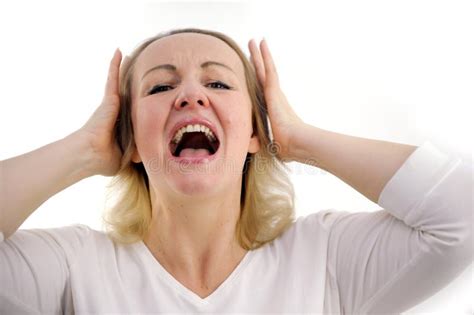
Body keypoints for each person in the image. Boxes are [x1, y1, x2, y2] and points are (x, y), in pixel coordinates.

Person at [0, 28, 472, 314]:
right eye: (160, 85)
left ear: (252, 131)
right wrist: (85, 150)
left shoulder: (324, 258)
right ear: (132, 143)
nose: (190, 95)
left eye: (219, 82)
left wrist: (297, 140)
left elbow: (462, 216)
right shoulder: (74, 267)